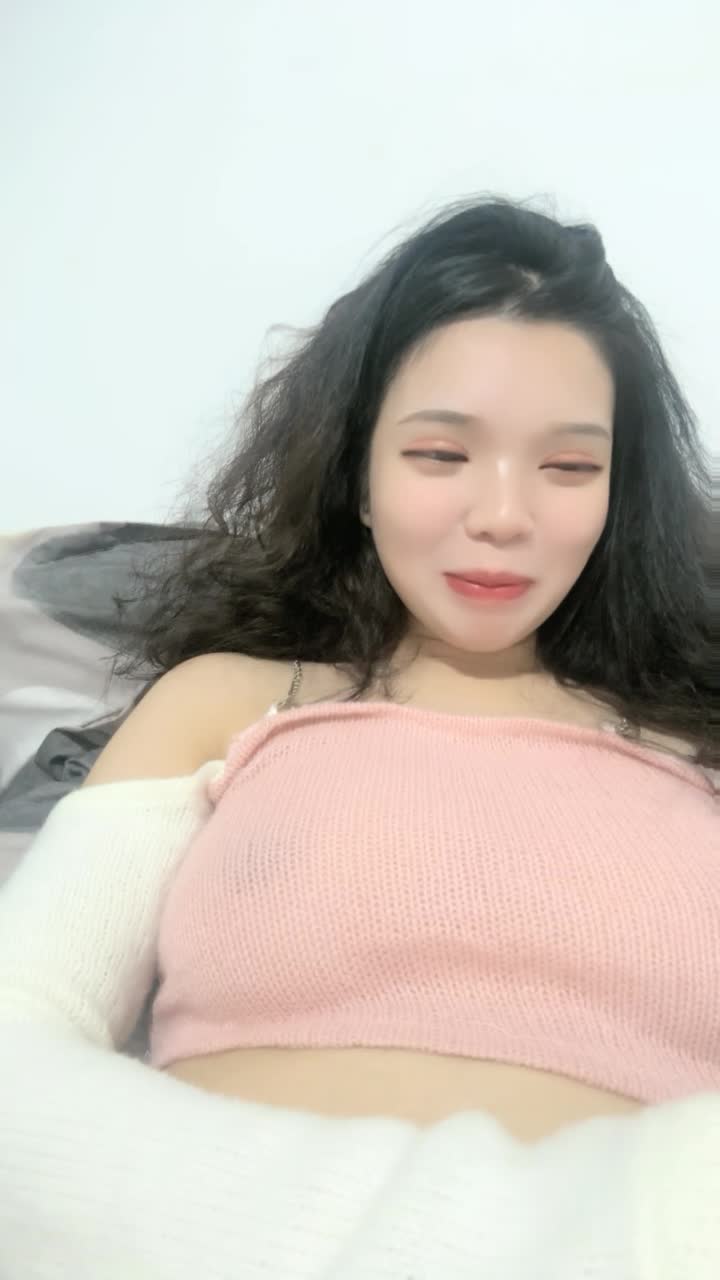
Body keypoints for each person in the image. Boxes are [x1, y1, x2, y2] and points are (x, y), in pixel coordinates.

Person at [0, 193, 718, 1278]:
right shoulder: (227, 701)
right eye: (440, 454)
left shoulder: (698, 755)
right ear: (359, 478)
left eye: (570, 467)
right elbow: (21, 1029)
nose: (505, 515)